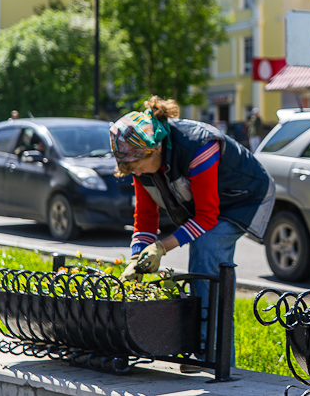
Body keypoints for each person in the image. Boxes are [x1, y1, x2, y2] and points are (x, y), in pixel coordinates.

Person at [110, 95, 275, 367]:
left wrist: (161, 247)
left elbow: (208, 217)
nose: (135, 172)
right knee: (202, 260)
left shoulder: (198, 146)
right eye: (129, 169)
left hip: (244, 197)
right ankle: (200, 345)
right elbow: (145, 218)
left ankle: (216, 359)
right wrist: (136, 259)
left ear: (155, 150)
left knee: (207, 252)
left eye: (136, 165)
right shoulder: (143, 164)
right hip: (208, 203)